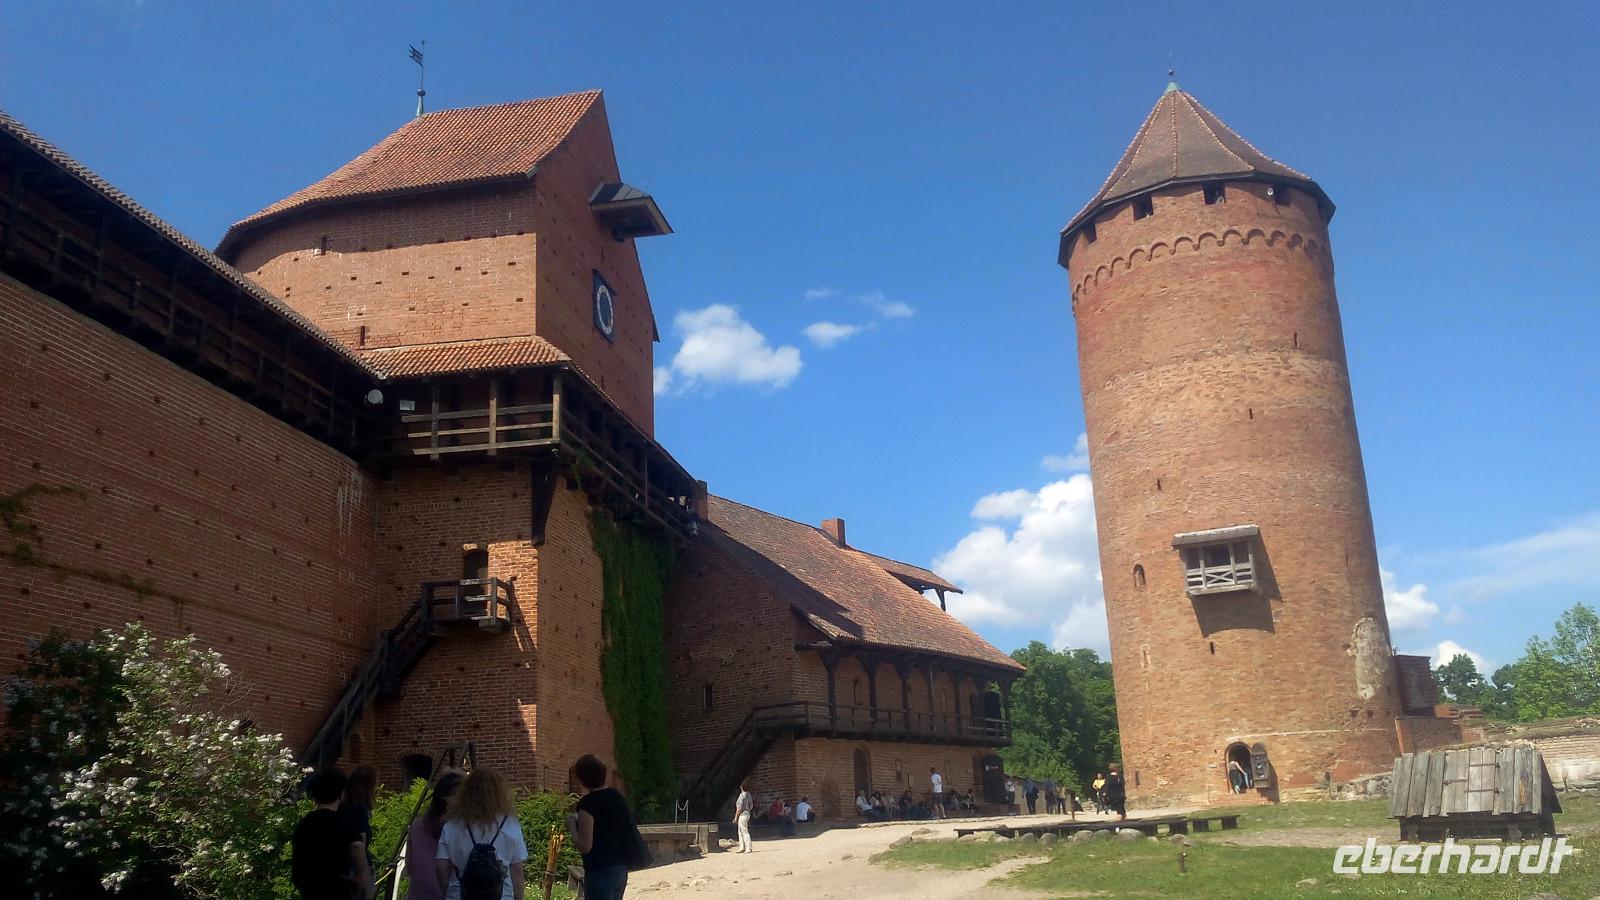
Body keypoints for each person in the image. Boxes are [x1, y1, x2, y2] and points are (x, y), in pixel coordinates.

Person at [435, 767, 528, 900]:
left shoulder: (452, 825)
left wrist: (447, 892)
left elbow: (441, 866)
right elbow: (517, 869)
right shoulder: (510, 824)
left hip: (459, 895)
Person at [293, 768, 373, 900]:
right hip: (337, 889)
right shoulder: (342, 822)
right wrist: (363, 878)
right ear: (341, 794)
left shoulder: (304, 823)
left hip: (309, 889)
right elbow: (358, 846)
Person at [570, 754, 643, 900]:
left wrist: (572, 826)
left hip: (600, 870)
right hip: (620, 867)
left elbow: (585, 846)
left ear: (582, 779)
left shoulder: (588, 804)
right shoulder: (617, 797)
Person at [405, 770, 464, 900]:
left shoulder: (416, 825)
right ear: (446, 797)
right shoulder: (457, 829)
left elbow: (409, 865)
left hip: (418, 894)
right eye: (462, 796)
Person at [341, 765, 378, 888]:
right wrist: (363, 876)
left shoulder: (342, 806)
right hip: (355, 868)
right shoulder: (359, 810)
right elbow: (359, 844)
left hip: (342, 866)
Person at [735, 781, 754, 853]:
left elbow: (739, 808)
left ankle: (748, 847)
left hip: (742, 814)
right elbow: (751, 805)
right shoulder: (749, 794)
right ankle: (742, 847)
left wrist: (735, 817)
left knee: (744, 831)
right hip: (747, 813)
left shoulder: (741, 795)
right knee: (741, 830)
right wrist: (748, 810)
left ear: (741, 787)